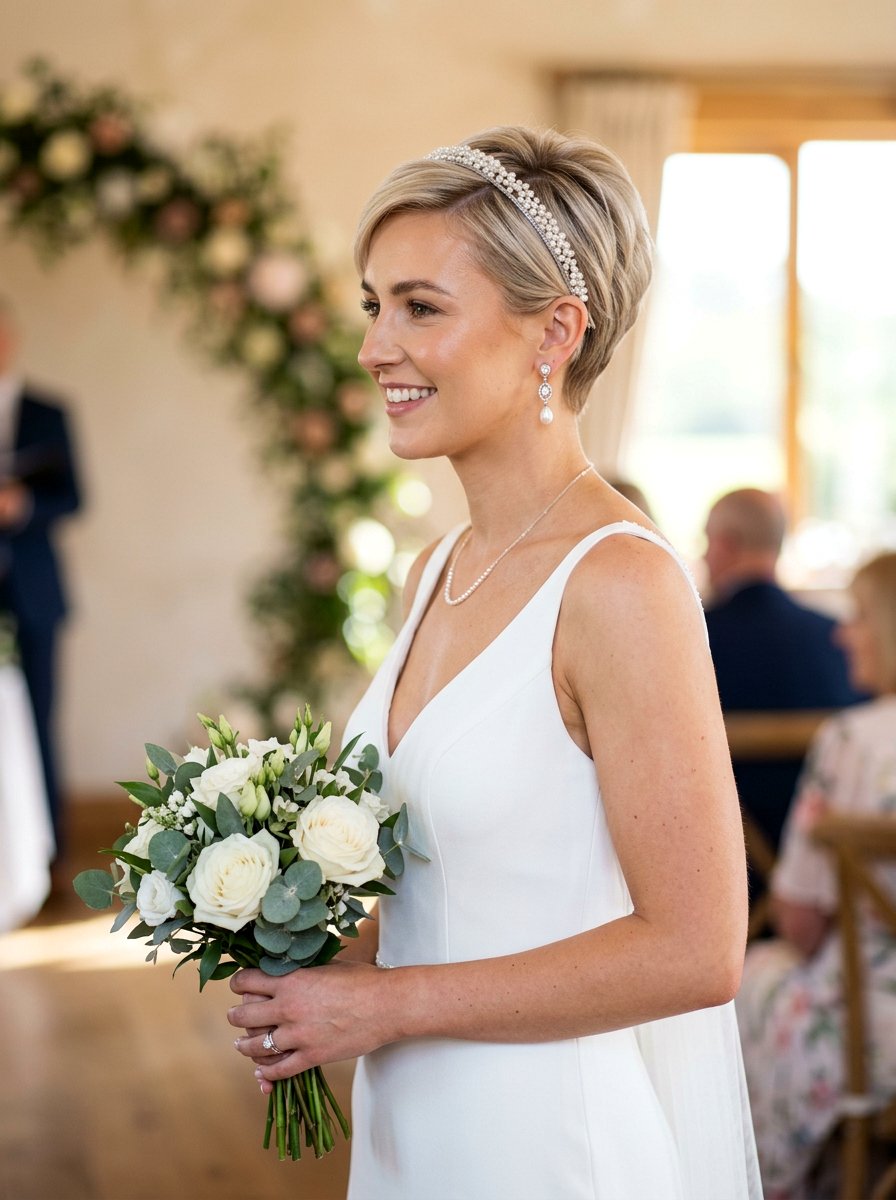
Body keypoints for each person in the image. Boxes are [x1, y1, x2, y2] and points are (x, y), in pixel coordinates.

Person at [228, 126, 761, 1198]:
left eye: (420, 307)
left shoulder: (620, 584)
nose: (378, 344)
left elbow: (697, 948)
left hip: (553, 1146)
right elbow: (439, 869)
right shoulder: (434, 570)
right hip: (413, 1134)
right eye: (373, 305)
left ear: (552, 333)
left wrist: (384, 1005)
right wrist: (311, 963)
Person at [736, 551, 896, 1200]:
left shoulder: (855, 742)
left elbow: (800, 921)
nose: (839, 632)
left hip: (878, 1030)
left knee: (752, 976)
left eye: (857, 615)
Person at [703, 488, 861, 857]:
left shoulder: (692, 639)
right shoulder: (839, 639)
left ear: (725, 545)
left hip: (724, 860)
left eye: (706, 542)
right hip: (832, 859)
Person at [0, 297, 82, 855]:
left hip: (33, 593)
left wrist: (21, 506)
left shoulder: (47, 412)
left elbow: (74, 498)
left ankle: (45, 851)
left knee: (37, 718)